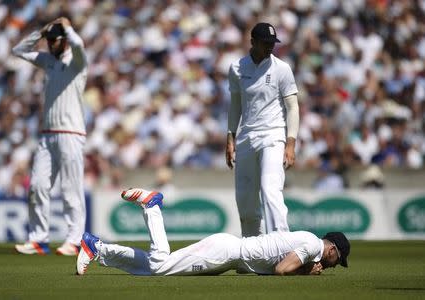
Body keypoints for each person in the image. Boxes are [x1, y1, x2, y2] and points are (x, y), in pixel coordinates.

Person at [76, 188, 350, 276]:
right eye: (337, 260)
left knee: (153, 267)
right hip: (227, 252)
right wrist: (307, 271)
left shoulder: (310, 241)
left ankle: (96, 248)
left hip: (229, 254)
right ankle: (152, 206)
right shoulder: (314, 246)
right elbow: (281, 269)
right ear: (332, 249)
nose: (333, 265)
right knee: (159, 265)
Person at [13, 17, 88, 256]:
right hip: (47, 135)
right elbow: (19, 50)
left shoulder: (77, 62)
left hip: (71, 134)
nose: (48, 45)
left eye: (53, 41)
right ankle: (38, 239)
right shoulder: (49, 62)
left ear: (63, 40)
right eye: (48, 41)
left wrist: (67, 27)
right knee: (37, 186)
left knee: (70, 189)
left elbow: (79, 46)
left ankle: (75, 241)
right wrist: (41, 32)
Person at [226, 23, 300, 236]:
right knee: (245, 197)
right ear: (253, 42)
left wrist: (291, 143)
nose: (270, 47)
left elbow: (293, 107)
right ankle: (253, 251)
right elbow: (235, 106)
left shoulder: (282, 69)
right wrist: (230, 138)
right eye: (265, 43)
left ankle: (282, 246)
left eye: (272, 43)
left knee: (270, 190)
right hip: (246, 137)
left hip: (273, 135)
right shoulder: (237, 68)